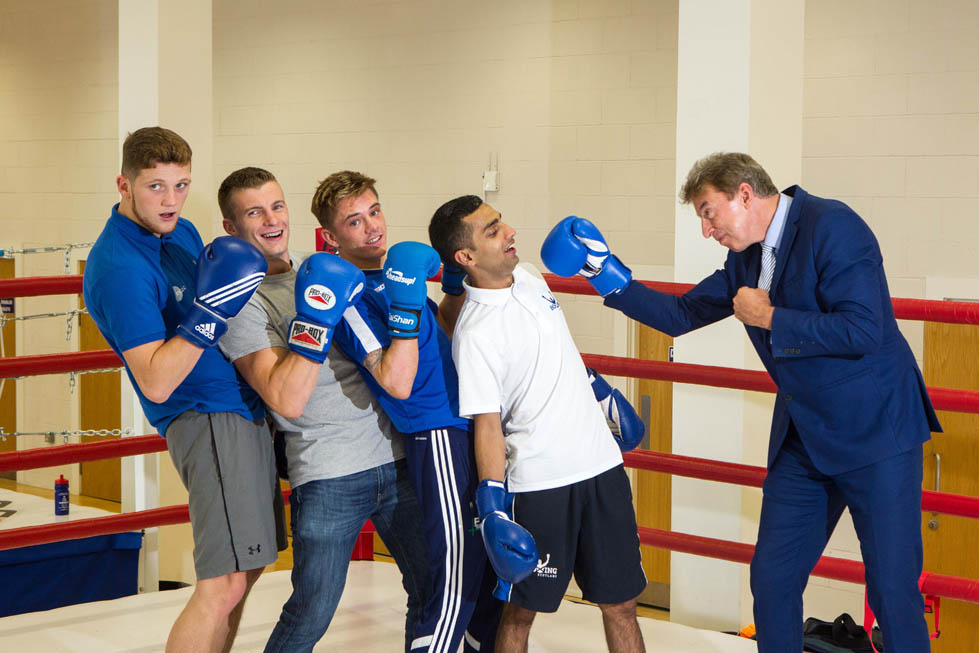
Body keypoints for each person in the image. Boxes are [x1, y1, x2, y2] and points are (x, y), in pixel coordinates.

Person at [540, 151, 941, 653]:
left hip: (878, 433)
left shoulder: (834, 226)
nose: (707, 230)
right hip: (805, 439)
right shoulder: (746, 258)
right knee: (772, 579)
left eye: (709, 212)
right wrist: (603, 271)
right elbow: (681, 313)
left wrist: (771, 316)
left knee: (891, 591)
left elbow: (863, 328)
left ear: (745, 193)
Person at [215, 167, 432, 653]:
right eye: (254, 212)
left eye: (276, 206)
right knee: (309, 615)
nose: (271, 220)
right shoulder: (241, 306)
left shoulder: (325, 267)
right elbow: (285, 398)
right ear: (232, 228)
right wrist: (314, 320)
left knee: (432, 590)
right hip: (328, 472)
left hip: (396, 457)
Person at [82, 128, 283, 653]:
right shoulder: (118, 267)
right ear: (123, 185)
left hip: (239, 406)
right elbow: (154, 376)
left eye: (181, 185)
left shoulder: (183, 231)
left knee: (248, 567)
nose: (171, 201)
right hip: (204, 416)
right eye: (155, 187)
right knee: (223, 582)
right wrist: (210, 312)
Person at [429, 195, 648, 653]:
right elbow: (487, 425)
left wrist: (597, 390)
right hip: (541, 484)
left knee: (622, 605)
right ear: (465, 258)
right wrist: (491, 504)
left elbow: (552, 349)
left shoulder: (529, 277)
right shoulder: (475, 334)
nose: (510, 231)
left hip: (602, 468)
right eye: (492, 230)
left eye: (501, 221)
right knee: (521, 612)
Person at [311, 171, 499, 653]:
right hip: (434, 432)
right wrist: (406, 305)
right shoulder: (346, 295)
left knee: (484, 576)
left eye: (374, 211)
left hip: (472, 422)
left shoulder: (393, 273)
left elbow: (442, 337)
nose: (372, 227)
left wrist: (452, 288)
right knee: (452, 583)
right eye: (354, 221)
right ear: (331, 237)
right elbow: (397, 378)